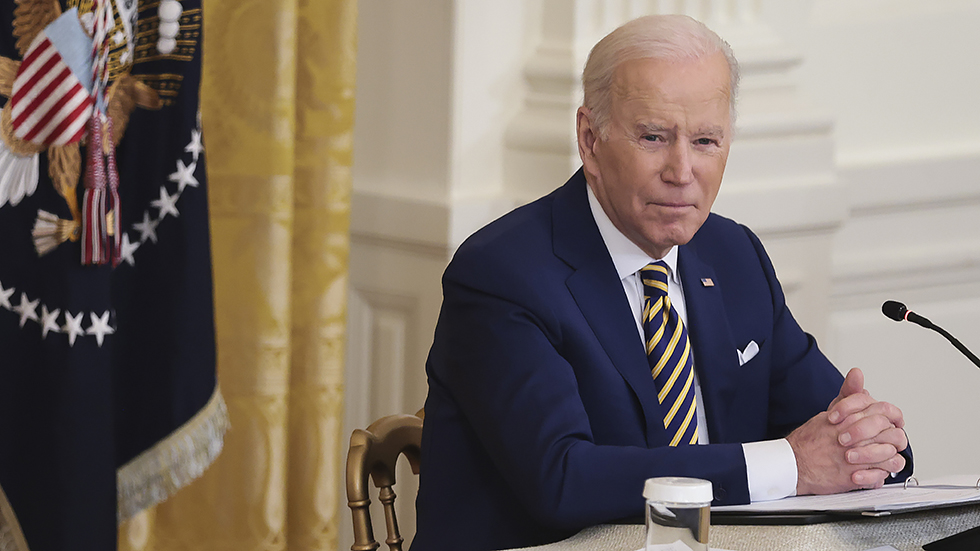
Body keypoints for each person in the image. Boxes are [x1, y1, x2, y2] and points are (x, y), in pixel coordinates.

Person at [411, 14, 912, 551]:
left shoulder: (734, 254)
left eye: (705, 141)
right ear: (589, 139)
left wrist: (869, 444)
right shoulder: (501, 274)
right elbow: (562, 479)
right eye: (653, 137)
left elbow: (834, 432)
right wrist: (790, 464)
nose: (681, 171)